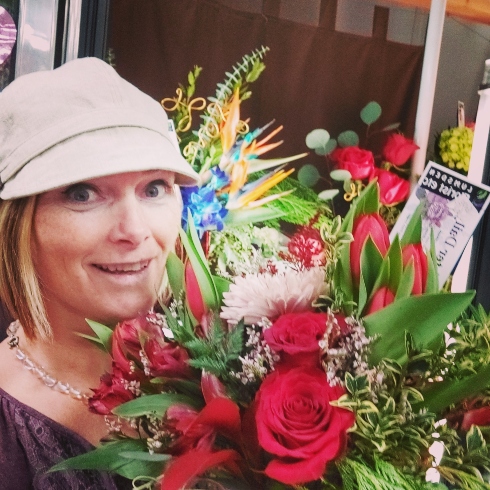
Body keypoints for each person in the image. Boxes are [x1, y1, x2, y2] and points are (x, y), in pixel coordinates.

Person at [0, 57, 199, 489]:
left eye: (154, 188)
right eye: (83, 192)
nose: (134, 230)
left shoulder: (238, 373)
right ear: (17, 225)